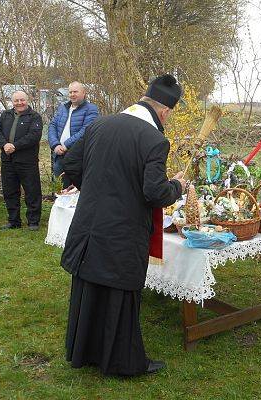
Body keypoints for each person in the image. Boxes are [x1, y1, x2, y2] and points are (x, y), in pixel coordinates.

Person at [60, 74, 186, 377]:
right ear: (165, 111)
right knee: (117, 293)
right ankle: (123, 362)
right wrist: (178, 186)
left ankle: (86, 353)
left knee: (91, 286)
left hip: (91, 223)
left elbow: (70, 164)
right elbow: (155, 193)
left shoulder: (99, 124)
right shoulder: (154, 140)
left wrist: (94, 190)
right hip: (123, 231)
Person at [0, 91, 43, 230]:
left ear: (27, 100)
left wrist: (15, 146)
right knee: (10, 191)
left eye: (22, 100)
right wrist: (4, 144)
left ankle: (33, 221)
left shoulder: (35, 117)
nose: (19, 103)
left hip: (27, 161)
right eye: (16, 101)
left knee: (32, 191)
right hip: (7, 160)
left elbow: (34, 136)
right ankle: (13, 221)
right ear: (12, 102)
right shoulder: (5, 115)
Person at [47, 81, 98, 189]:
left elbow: (86, 130)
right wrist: (55, 145)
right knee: (61, 190)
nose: (72, 94)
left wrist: (66, 145)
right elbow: (52, 126)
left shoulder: (91, 109)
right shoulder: (62, 108)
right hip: (59, 156)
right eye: (70, 92)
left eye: (75, 91)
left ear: (84, 93)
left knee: (77, 190)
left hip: (77, 158)